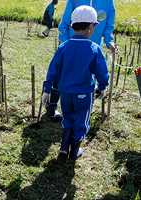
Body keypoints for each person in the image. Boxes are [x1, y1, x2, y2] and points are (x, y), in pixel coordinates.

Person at [42, 5, 109, 161]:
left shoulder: (63, 47)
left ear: (73, 25)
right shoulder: (94, 48)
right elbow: (102, 73)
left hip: (65, 93)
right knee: (81, 121)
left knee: (68, 117)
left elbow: (53, 70)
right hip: (84, 94)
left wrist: (47, 89)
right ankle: (75, 152)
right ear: (90, 28)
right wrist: (102, 87)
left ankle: (64, 149)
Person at [46, 0, 116, 121]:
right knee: (60, 76)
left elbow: (109, 25)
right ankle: (52, 108)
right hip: (71, 47)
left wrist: (109, 41)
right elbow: (64, 24)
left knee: (86, 79)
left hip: (91, 50)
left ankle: (82, 114)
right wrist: (68, 46)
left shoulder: (108, 2)